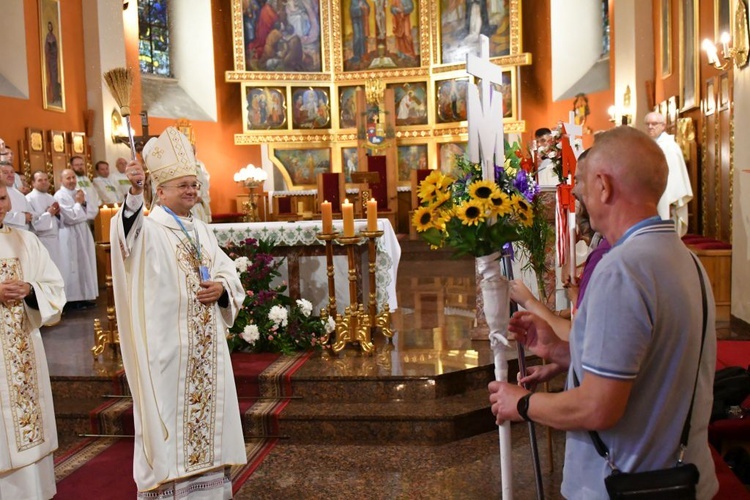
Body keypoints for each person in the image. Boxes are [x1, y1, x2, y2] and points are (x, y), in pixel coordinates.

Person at [489, 126, 719, 499]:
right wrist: (565, 351)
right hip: (683, 478)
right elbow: (655, 359)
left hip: (626, 485)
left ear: (603, 185)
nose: (576, 191)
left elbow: (598, 407)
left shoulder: (623, 269)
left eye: (580, 182)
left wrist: (522, 403)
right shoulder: (685, 259)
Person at [110, 127, 247, 497]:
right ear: (162, 189)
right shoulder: (149, 230)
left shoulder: (201, 230)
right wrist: (135, 193)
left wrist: (221, 289)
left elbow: (227, 272)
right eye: (183, 185)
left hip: (205, 351)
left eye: (195, 184)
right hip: (168, 350)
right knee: (171, 421)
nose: (192, 191)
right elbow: (124, 235)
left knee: (208, 424)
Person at [0, 181, 66, 500]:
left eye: (1, 197)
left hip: (23, 352)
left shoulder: (25, 241)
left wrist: (31, 290)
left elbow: (55, 288)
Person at [54, 169, 98, 309]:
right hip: (68, 234)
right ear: (61, 180)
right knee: (71, 265)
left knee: (86, 263)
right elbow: (70, 217)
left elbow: (92, 212)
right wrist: (79, 204)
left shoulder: (80, 192)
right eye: (68, 178)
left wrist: (81, 205)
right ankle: (72, 299)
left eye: (73, 177)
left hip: (83, 231)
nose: (72, 180)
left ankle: (85, 296)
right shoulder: (59, 195)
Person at [644, 111, 693, 236]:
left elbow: (674, 179)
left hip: (668, 201)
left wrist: (671, 202)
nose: (650, 127)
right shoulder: (652, 145)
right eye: (647, 124)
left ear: (663, 126)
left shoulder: (669, 147)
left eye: (654, 124)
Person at [26, 171, 64, 273]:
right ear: (33, 183)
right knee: (46, 271)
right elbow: (34, 224)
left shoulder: (51, 197)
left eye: (46, 180)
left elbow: (60, 222)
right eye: (40, 180)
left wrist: (57, 214)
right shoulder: (29, 199)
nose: (44, 182)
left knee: (58, 271)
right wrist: (49, 213)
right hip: (41, 241)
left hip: (55, 241)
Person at [0, 163, 33, 231]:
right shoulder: (2, 192)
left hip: (24, 234)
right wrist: (22, 218)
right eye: (5, 172)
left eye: (12, 172)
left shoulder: (19, 193)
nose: (10, 175)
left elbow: (30, 212)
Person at [69, 156, 100, 222]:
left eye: (81, 164)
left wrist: (99, 205)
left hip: (94, 213)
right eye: (77, 165)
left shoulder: (86, 179)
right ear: (72, 166)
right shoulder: (70, 180)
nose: (80, 167)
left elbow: (94, 194)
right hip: (81, 215)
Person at [192, 146, 212, 224]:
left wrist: (202, 197)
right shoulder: (180, 165)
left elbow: (205, 182)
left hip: (199, 203)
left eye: (193, 151)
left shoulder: (200, 165)